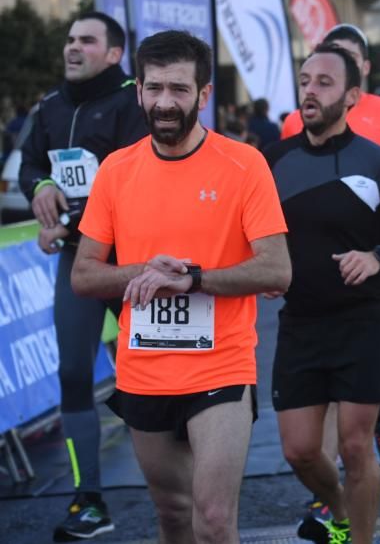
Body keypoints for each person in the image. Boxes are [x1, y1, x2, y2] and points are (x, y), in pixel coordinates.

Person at [70, 30, 292, 544]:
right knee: (172, 514)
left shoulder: (244, 165)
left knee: (213, 519)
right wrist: (144, 270)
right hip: (143, 369)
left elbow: (277, 270)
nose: (165, 103)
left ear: (204, 94)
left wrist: (192, 278)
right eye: (154, 89)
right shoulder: (116, 171)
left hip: (221, 364)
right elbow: (84, 275)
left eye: (179, 89)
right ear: (140, 91)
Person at [265, 43, 380, 544]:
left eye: (323, 83)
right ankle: (338, 512)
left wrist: (379, 258)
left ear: (353, 95)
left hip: (367, 313)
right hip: (302, 318)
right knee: (299, 449)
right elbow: (244, 231)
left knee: (355, 446)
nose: (310, 92)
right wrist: (263, 269)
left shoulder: (378, 162)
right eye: (304, 81)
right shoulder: (272, 162)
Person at [18, 11, 148, 541]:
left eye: (86, 41)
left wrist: (70, 219)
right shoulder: (49, 107)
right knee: (73, 374)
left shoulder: (130, 102)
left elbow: (136, 179)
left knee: (153, 375)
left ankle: (190, 478)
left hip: (133, 260)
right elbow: (28, 166)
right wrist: (42, 186)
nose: (73, 47)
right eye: (69, 39)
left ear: (113, 53)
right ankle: (88, 498)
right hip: (78, 259)